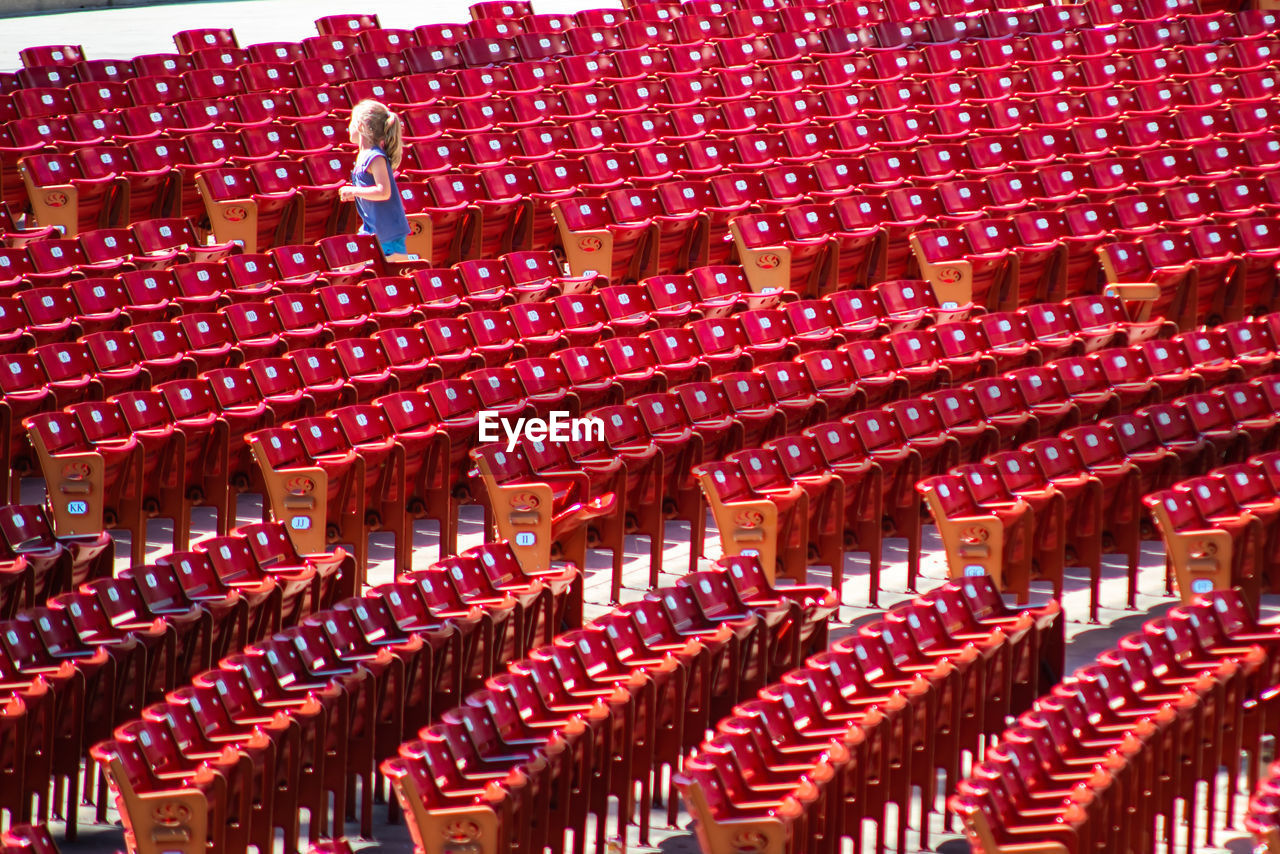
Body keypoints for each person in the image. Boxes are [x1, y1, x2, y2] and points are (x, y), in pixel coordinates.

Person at [339, 99, 411, 260]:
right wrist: (358, 194)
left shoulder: (375, 156)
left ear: (361, 126)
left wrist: (354, 190)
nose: (348, 127)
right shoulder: (363, 156)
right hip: (373, 230)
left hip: (387, 233)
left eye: (351, 121)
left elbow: (383, 191)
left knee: (392, 280)